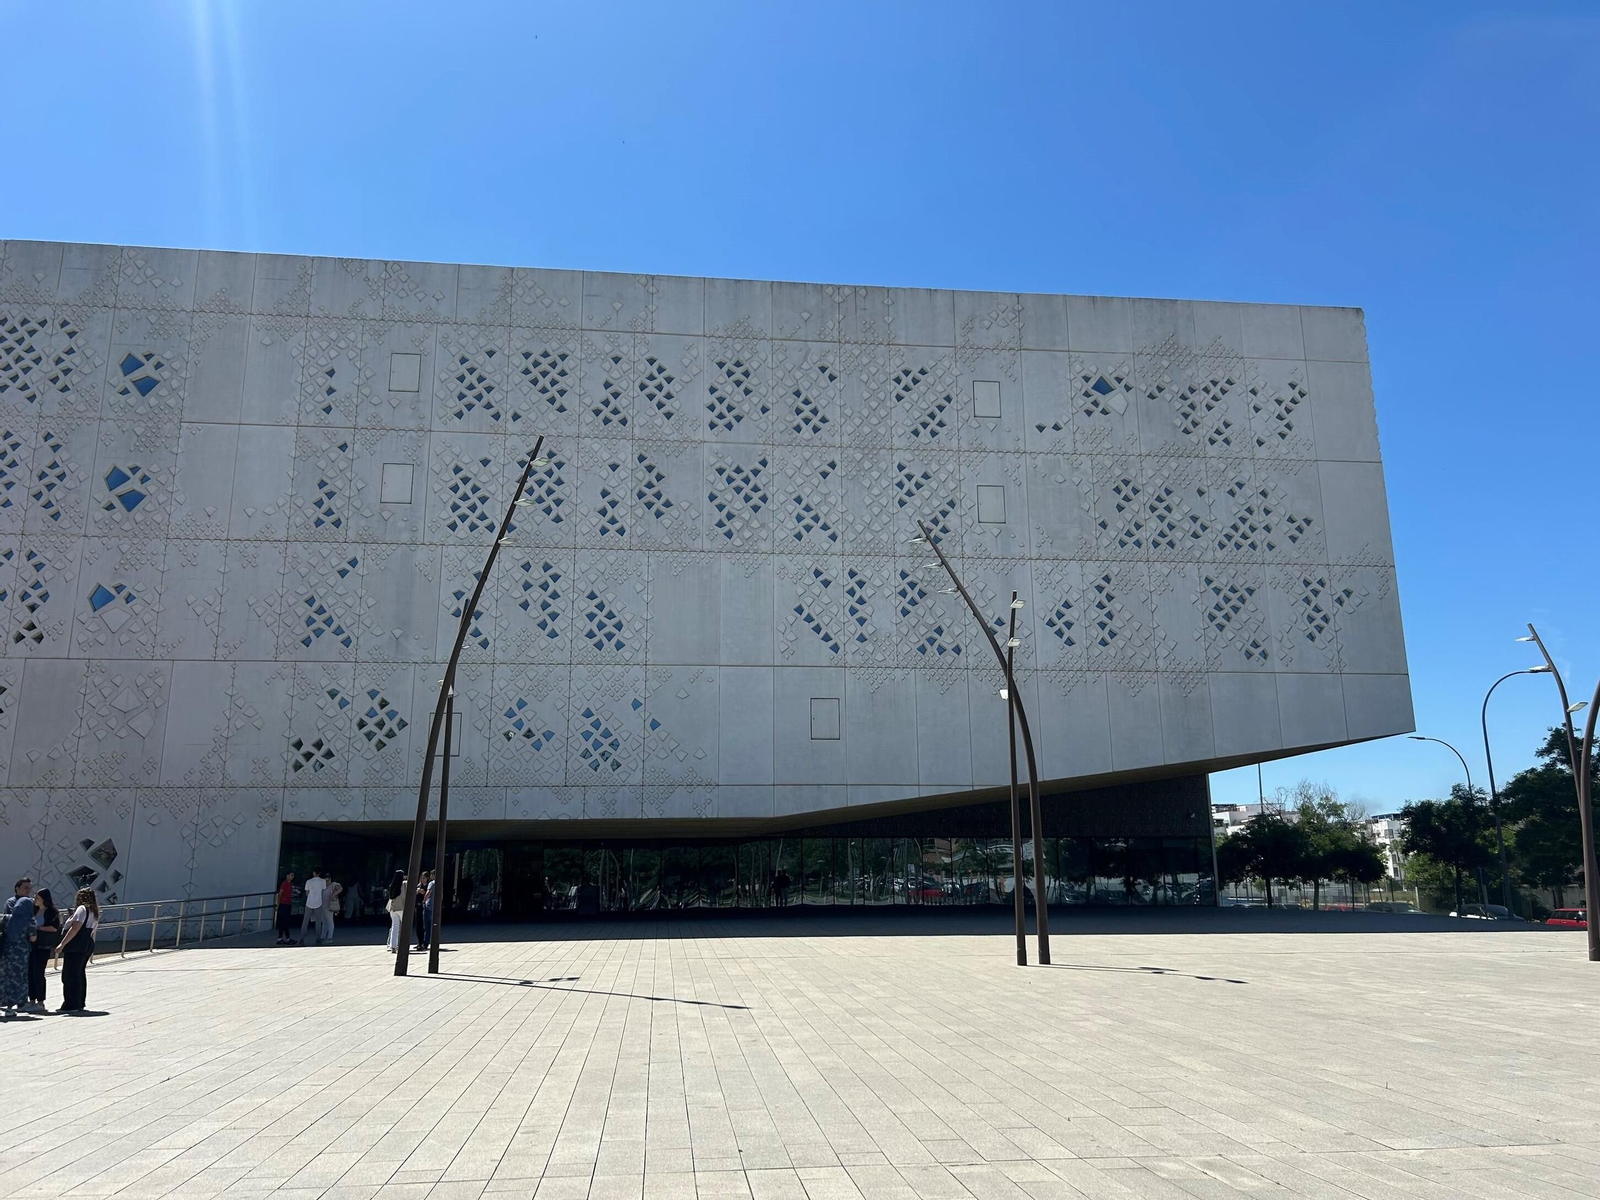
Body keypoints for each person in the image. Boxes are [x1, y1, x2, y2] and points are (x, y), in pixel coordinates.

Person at [53, 887, 99, 1013]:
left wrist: (62, 944)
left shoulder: (81, 909)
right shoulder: (93, 912)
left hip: (76, 945)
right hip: (87, 943)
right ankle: (79, 1002)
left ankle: (71, 1003)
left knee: (70, 975)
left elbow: (75, 928)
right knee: (79, 973)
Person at [1, 877, 36, 1013]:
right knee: (18, 976)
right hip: (20, 949)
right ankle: (17, 1003)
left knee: (9, 976)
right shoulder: (12, 903)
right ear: (17, 888)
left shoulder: (8, 918)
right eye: (25, 887)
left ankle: (10, 1004)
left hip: (9, 949)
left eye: (30, 888)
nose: (28, 890)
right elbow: (32, 935)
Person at [28, 888, 60, 1012]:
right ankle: (31, 999)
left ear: (43, 899)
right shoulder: (35, 910)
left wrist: (38, 928)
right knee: (30, 972)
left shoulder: (51, 912)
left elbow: (54, 928)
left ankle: (40, 1001)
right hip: (32, 945)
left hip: (43, 946)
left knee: (38, 972)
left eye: (37, 897)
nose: (35, 899)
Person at [299, 868, 327, 945]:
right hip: (319, 902)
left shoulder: (309, 881)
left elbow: (307, 892)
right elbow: (323, 891)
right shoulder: (323, 881)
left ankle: (302, 938)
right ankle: (318, 938)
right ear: (320, 873)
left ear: (314, 873)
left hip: (309, 903)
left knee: (305, 921)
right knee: (318, 922)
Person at [385, 871, 406, 953]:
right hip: (402, 907)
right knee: (404, 927)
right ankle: (402, 944)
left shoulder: (392, 885)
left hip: (393, 908)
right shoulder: (404, 884)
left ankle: (393, 946)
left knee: (395, 927)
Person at [416, 871, 436, 951]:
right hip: (422, 907)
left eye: (424, 878)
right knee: (425, 925)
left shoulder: (431, 884)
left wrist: (424, 900)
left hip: (427, 907)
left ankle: (425, 943)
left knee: (427, 926)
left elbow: (427, 893)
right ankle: (421, 942)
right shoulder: (419, 885)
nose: (422, 879)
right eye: (421, 878)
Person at [275, 873, 295, 945]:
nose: (292, 877)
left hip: (288, 904)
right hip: (284, 904)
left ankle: (282, 938)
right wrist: (278, 904)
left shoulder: (290, 884)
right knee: (284, 922)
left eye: (293, 875)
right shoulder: (284, 884)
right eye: (291, 875)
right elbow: (280, 894)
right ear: (287, 875)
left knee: (285, 922)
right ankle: (286, 938)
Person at [323, 877, 343, 943]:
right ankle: (323, 937)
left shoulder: (333, 884)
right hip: (323, 905)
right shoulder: (323, 885)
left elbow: (340, 888)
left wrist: (333, 895)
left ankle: (329, 937)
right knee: (324, 922)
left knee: (329, 921)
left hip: (329, 906)